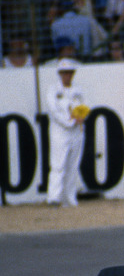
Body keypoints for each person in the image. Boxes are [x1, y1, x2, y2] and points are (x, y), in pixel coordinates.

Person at [46, 58, 89, 207]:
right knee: (58, 165)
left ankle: (70, 198)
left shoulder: (78, 90)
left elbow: (85, 107)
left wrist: (81, 117)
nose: (67, 76)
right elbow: (54, 112)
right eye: (64, 73)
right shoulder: (53, 90)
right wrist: (70, 121)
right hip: (60, 132)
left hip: (77, 132)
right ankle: (53, 197)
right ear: (60, 74)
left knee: (73, 165)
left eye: (70, 73)